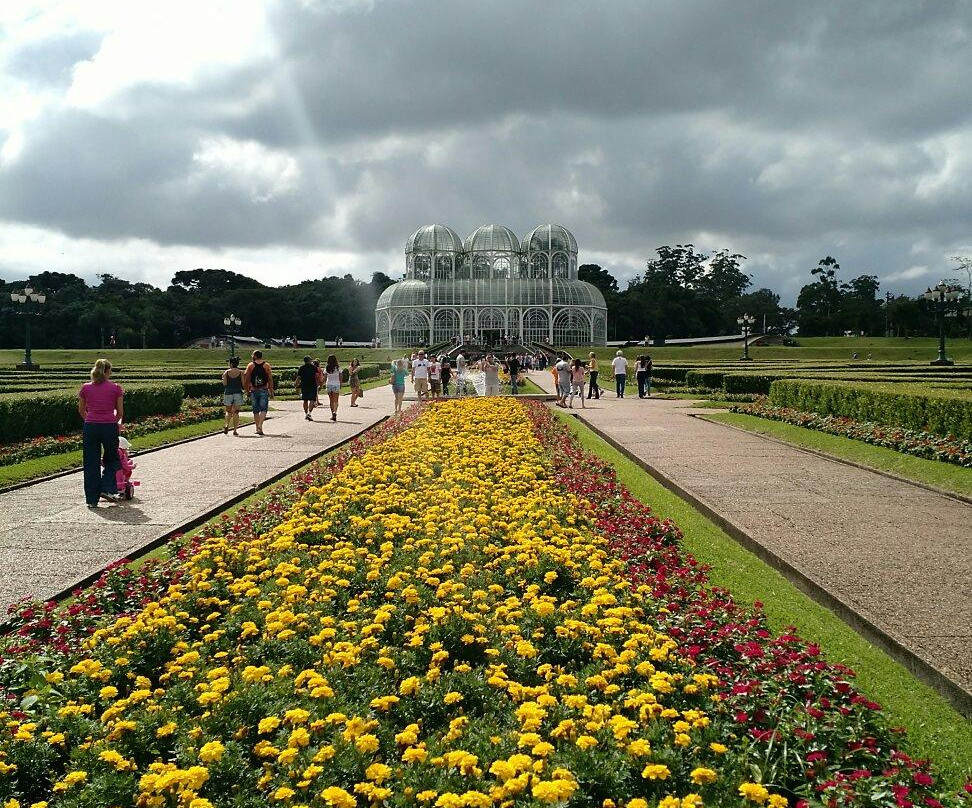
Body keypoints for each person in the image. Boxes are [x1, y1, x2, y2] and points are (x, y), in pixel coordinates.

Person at [78, 358, 124, 508]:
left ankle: (91, 499)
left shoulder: (85, 388)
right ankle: (106, 487)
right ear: (107, 371)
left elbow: (81, 410)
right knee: (112, 458)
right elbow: (120, 412)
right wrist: (112, 421)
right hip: (109, 426)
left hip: (91, 426)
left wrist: (90, 420)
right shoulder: (116, 388)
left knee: (91, 462)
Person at [244, 349, 274, 435]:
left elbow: (247, 379)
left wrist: (247, 390)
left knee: (255, 410)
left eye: (252, 355)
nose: (252, 357)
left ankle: (258, 428)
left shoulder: (250, 365)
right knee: (264, 409)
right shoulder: (266, 365)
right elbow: (270, 379)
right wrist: (271, 391)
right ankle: (260, 426)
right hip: (264, 389)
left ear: (255, 356)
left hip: (253, 390)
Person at [221, 356, 244, 435]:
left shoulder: (226, 372)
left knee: (228, 411)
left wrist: (223, 379)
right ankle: (235, 430)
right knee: (236, 412)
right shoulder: (241, 372)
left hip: (228, 392)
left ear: (231, 363)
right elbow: (243, 384)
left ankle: (226, 425)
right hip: (238, 392)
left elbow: (225, 383)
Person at [296, 355, 319, 420]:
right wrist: (318, 384)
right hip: (312, 385)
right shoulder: (314, 367)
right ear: (309, 360)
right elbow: (317, 376)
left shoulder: (301, 367)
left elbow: (298, 377)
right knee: (312, 400)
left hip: (304, 385)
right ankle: (309, 413)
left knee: (305, 400)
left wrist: (296, 384)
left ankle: (306, 413)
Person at [324, 354, 341, 421]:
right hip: (336, 384)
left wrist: (323, 383)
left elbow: (325, 377)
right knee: (336, 400)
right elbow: (340, 376)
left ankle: (332, 413)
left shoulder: (327, 367)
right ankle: (335, 412)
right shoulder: (338, 367)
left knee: (331, 400)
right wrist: (341, 383)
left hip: (329, 384)